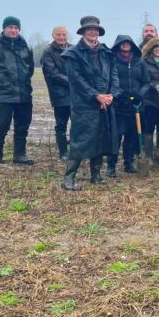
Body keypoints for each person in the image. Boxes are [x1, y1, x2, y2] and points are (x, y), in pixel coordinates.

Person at [61, 16, 120, 190]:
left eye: (95, 29)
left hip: (105, 104)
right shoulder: (73, 54)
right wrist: (96, 95)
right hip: (84, 105)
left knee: (101, 138)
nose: (93, 32)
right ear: (84, 32)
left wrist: (111, 95)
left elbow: (114, 75)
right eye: (89, 29)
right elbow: (76, 80)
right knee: (81, 140)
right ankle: (68, 178)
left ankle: (96, 174)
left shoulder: (106, 53)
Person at [0, 16, 35, 170]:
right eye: (10, 27)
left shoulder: (26, 47)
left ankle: (20, 155)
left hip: (24, 94)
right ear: (4, 28)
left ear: (19, 29)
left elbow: (29, 69)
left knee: (22, 127)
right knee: (0, 127)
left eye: (16, 27)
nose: (13, 30)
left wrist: (22, 83)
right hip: (3, 95)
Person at [107, 35, 150, 176]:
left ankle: (128, 163)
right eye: (122, 44)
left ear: (132, 45)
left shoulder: (139, 61)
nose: (125, 46)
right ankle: (111, 166)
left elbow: (146, 82)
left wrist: (139, 96)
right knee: (117, 136)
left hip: (136, 106)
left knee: (131, 136)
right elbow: (110, 81)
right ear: (118, 45)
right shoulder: (112, 60)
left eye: (128, 44)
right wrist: (121, 95)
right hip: (119, 105)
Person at [41, 25, 71, 160]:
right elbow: (53, 74)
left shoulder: (72, 49)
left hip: (76, 95)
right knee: (61, 125)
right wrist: (74, 82)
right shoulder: (48, 52)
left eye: (64, 35)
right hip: (59, 95)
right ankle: (63, 152)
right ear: (53, 36)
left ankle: (76, 150)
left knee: (77, 124)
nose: (61, 37)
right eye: (58, 35)